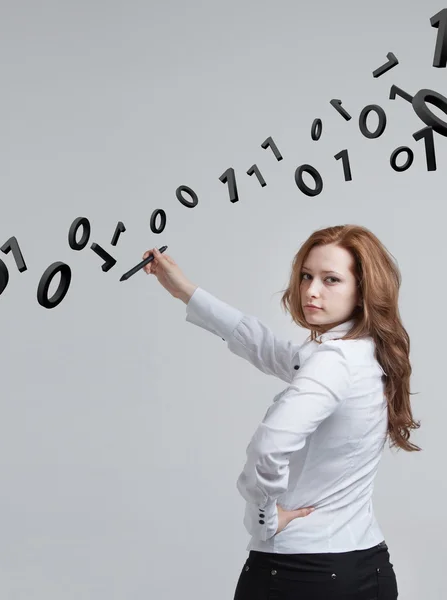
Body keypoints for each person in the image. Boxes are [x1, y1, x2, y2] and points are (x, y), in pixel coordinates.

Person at [142, 224, 419, 599]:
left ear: (362, 290)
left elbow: (268, 447)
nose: (311, 290)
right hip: (367, 567)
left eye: (331, 279)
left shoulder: (333, 362)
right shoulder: (365, 354)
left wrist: (264, 518)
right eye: (306, 276)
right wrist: (184, 290)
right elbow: (268, 348)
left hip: (301, 573)